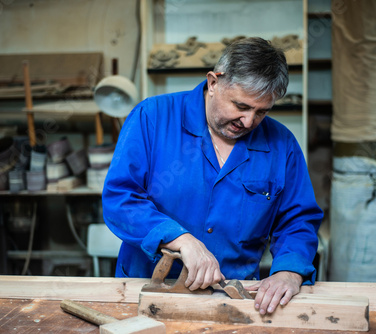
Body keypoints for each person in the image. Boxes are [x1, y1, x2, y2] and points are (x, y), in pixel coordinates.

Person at [102, 37, 323, 315]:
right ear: (213, 82)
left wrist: (290, 271)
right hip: (146, 291)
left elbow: (297, 220)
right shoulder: (152, 117)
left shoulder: (282, 144)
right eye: (241, 106)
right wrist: (181, 240)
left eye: (262, 112)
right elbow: (121, 199)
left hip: (235, 299)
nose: (248, 122)